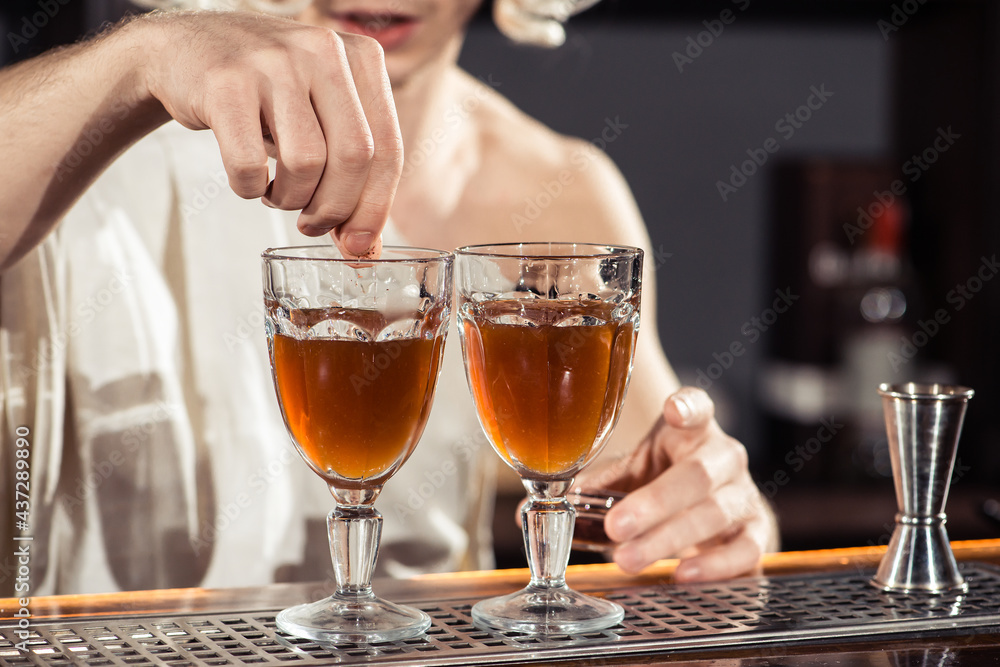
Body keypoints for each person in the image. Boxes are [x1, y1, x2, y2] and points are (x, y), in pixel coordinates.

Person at [0, 0, 777, 596]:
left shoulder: (558, 192)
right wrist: (145, 53)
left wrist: (723, 520)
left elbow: (653, 511)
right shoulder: (119, 135)